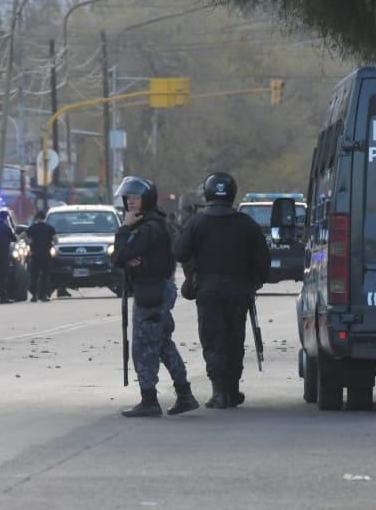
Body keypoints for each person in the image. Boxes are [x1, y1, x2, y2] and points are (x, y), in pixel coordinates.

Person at [174, 172, 270, 409]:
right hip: (239, 289)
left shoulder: (196, 223)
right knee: (234, 338)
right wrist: (256, 281)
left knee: (213, 338)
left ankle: (219, 393)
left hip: (208, 289)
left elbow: (180, 253)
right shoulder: (247, 224)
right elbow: (263, 261)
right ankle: (232, 389)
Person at [111, 176, 198, 418]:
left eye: (136, 198)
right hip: (153, 289)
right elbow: (120, 257)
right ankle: (184, 394)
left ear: (146, 199)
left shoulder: (148, 227)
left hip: (152, 291)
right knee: (161, 344)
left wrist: (124, 230)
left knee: (143, 346)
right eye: (128, 198)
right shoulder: (150, 224)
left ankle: (149, 400)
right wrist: (127, 253)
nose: (130, 203)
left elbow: (120, 255)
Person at [23, 210, 57, 302]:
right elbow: (56, 240)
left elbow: (23, 235)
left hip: (35, 254)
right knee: (45, 276)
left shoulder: (32, 228)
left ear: (37, 218)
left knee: (34, 276)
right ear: (44, 218)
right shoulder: (50, 228)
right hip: (46, 254)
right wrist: (52, 243)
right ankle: (44, 295)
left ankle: (34, 295)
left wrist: (28, 242)